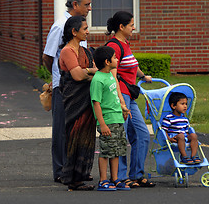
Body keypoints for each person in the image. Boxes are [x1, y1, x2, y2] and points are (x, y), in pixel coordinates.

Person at [42, 0, 92, 183]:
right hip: (63, 87)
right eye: (86, 4)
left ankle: (76, 169)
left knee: (77, 129)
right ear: (75, 5)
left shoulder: (80, 26)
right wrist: (57, 77)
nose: (89, 8)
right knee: (62, 129)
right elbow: (47, 56)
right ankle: (61, 170)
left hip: (80, 87)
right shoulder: (60, 26)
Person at [105, 11, 155, 188]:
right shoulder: (114, 46)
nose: (134, 27)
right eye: (131, 24)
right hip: (121, 96)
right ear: (121, 27)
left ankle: (136, 175)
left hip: (130, 96)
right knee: (121, 136)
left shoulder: (125, 44)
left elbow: (132, 64)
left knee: (142, 134)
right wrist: (120, 100)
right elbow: (111, 75)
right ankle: (119, 176)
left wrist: (143, 76)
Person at [58, 15, 98, 191]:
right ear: (74, 32)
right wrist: (91, 71)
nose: (88, 31)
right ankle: (72, 179)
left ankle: (81, 175)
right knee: (75, 136)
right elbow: (77, 76)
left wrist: (88, 71)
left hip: (88, 100)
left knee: (86, 136)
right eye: (84, 29)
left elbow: (95, 73)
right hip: (74, 101)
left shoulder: (86, 51)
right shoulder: (67, 51)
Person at [90, 46, 131, 191]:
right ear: (107, 62)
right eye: (114, 57)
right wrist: (102, 124)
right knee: (106, 151)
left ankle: (115, 179)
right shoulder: (98, 79)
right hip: (107, 121)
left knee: (117, 150)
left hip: (117, 119)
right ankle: (103, 180)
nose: (117, 59)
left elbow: (113, 97)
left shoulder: (110, 76)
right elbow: (96, 103)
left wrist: (123, 108)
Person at [162, 92, 202, 164]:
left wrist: (190, 136)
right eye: (182, 104)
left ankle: (193, 156)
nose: (185, 106)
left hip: (184, 137)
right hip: (175, 137)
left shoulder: (185, 119)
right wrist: (169, 139)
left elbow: (186, 131)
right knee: (181, 136)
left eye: (186, 104)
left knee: (194, 135)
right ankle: (184, 156)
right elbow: (164, 130)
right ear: (173, 106)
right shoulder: (168, 118)